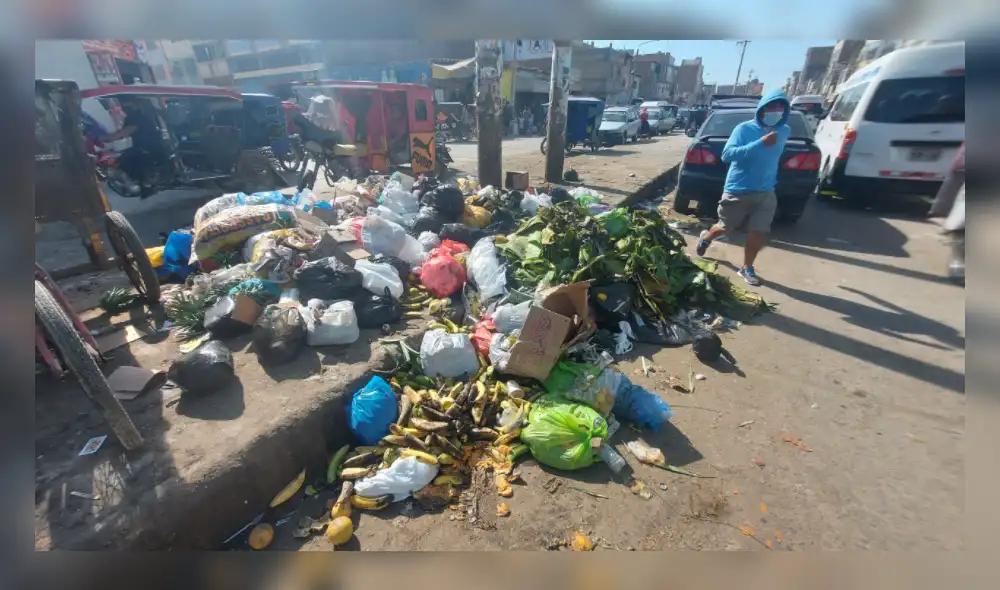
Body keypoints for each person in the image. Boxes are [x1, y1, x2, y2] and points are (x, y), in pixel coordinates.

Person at [693, 90, 792, 286]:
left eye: (781, 107)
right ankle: (707, 236)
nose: (776, 111)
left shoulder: (784, 131)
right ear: (763, 109)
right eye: (772, 106)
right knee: (725, 227)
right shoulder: (743, 129)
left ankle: (747, 267)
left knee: (758, 231)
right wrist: (760, 143)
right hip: (738, 189)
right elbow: (727, 155)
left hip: (766, 192)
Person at [99, 96, 169, 198]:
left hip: (149, 148)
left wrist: (102, 138)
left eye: (127, 103)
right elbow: (120, 133)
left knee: (124, 161)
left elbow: (122, 134)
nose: (124, 106)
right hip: (141, 146)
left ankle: (145, 184)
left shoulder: (137, 117)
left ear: (136, 103)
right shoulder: (132, 117)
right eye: (123, 103)